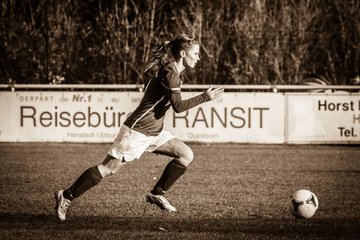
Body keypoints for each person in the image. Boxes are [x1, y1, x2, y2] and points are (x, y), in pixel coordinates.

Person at [54, 33, 224, 221]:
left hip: (153, 131)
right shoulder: (170, 74)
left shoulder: (171, 71)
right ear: (183, 53)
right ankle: (67, 195)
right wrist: (205, 97)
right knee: (108, 168)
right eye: (196, 54)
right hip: (137, 130)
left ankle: (157, 193)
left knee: (186, 154)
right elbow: (178, 107)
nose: (198, 58)